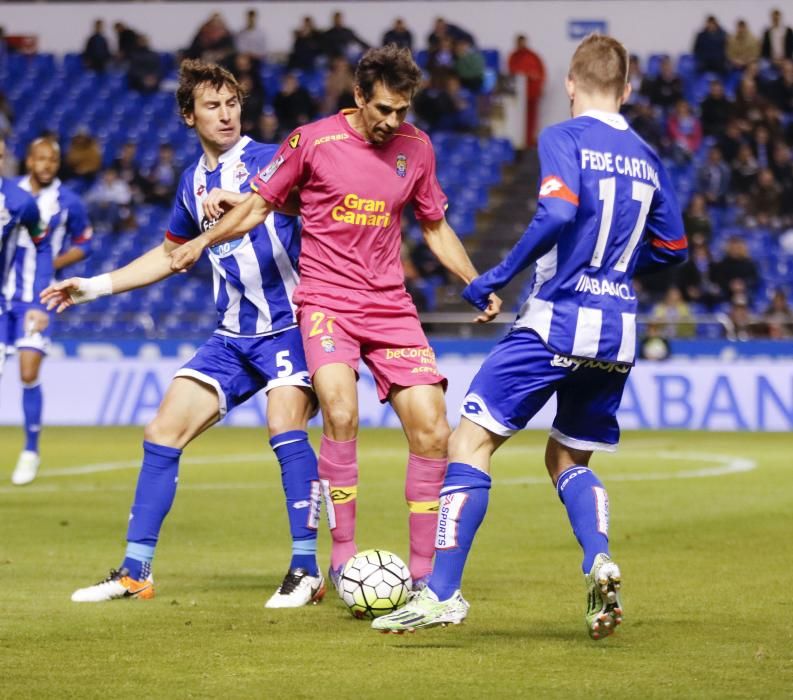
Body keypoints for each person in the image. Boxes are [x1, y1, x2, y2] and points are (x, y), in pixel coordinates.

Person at [372, 33, 688, 637]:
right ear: (626, 90)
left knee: (468, 444)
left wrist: (496, 275)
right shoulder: (647, 155)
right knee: (566, 455)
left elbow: (559, 212)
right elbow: (673, 247)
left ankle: (442, 593)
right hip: (617, 331)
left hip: (556, 319)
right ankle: (599, 562)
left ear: (570, 83)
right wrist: (614, 271)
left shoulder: (563, 137)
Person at [168, 45, 501, 590]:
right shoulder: (312, 141)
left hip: (390, 306)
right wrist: (198, 243)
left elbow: (435, 226)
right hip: (326, 302)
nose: (392, 122)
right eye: (383, 110)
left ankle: (423, 575)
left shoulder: (416, 148)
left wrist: (473, 280)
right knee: (340, 414)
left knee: (434, 430)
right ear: (358, 97)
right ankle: (343, 559)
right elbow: (257, 204)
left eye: (402, 111)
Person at [42, 60, 324, 608]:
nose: (225, 114)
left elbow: (299, 208)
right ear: (187, 116)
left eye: (232, 103)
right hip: (232, 336)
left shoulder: (269, 160)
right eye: (212, 106)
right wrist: (93, 288)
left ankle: (305, 569)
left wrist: (239, 207)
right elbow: (172, 253)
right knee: (162, 431)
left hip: (292, 325)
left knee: (284, 423)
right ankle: (135, 572)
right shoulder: (192, 181)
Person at [2, 137, 92, 485]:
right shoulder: (9, 195)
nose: (46, 165)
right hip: (3, 295)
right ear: (29, 161)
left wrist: (55, 262)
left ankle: (30, 450)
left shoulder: (69, 202)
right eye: (40, 158)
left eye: (52, 160)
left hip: (37, 298)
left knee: (27, 372)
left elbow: (85, 242)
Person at [0, 137, 52, 485]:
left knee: (28, 371)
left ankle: (31, 450)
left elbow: (42, 243)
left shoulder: (19, 202)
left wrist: (39, 300)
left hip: (15, 301)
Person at [507, 34, 546, 147]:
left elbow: (541, 73)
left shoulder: (533, 56)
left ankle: (529, 140)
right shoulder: (513, 57)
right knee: (518, 119)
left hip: (532, 94)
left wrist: (540, 86)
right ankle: (519, 140)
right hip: (518, 96)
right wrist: (526, 74)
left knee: (531, 119)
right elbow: (512, 72)